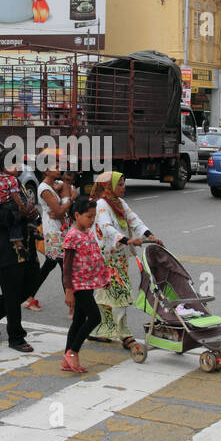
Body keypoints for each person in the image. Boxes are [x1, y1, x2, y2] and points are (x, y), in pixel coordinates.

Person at [0, 160, 42, 353]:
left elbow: (32, 210)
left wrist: (32, 214)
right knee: (13, 294)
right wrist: (22, 213)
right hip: (6, 249)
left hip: (27, 247)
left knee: (29, 287)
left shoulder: (19, 184)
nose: (16, 166)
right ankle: (16, 337)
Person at [89, 171, 156, 349]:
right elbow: (106, 227)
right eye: (119, 185)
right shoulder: (102, 204)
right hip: (106, 259)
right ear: (109, 186)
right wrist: (127, 240)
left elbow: (135, 220)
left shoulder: (120, 203)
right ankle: (124, 334)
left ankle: (102, 330)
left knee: (105, 294)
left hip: (119, 258)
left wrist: (150, 235)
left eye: (124, 184)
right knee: (120, 294)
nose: (123, 188)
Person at [61, 196, 110, 374]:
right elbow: (66, 267)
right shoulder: (72, 236)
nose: (92, 219)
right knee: (95, 317)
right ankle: (73, 352)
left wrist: (104, 278)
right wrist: (68, 290)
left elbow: (95, 256)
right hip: (78, 285)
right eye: (88, 216)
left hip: (88, 284)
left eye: (93, 216)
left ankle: (67, 358)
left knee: (79, 321)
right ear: (76, 215)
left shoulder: (89, 232)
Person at [28, 158, 73, 313]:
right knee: (64, 265)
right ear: (46, 170)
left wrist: (63, 189)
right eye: (56, 166)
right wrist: (70, 199)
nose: (60, 169)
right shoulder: (44, 189)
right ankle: (72, 308)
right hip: (54, 231)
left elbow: (60, 207)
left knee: (50, 264)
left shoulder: (51, 186)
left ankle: (28, 296)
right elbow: (60, 211)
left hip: (58, 229)